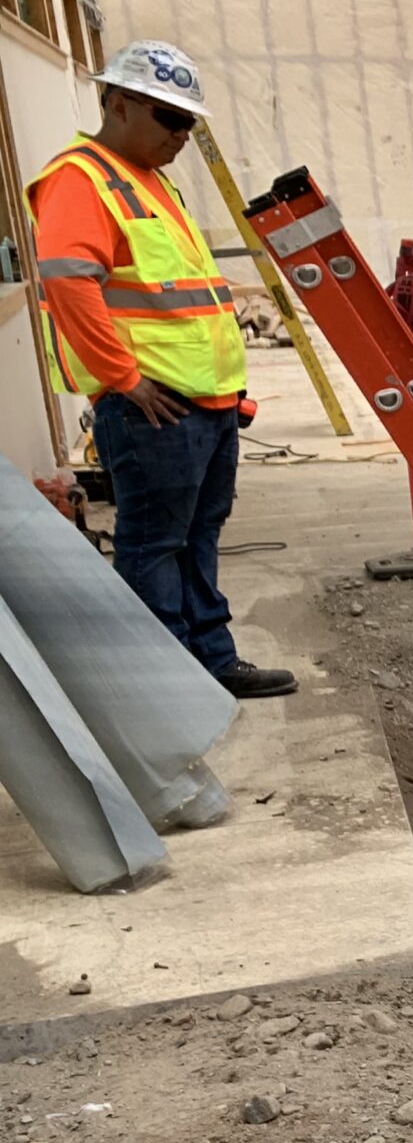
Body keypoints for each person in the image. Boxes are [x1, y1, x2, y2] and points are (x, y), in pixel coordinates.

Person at [31, 41, 294, 699]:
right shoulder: (80, 179)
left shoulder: (151, 180)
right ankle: (166, 689)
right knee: (153, 543)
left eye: (189, 123)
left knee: (198, 534)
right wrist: (123, 378)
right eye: (169, 118)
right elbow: (69, 284)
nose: (181, 135)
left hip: (205, 403)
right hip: (155, 406)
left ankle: (210, 661)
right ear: (118, 105)